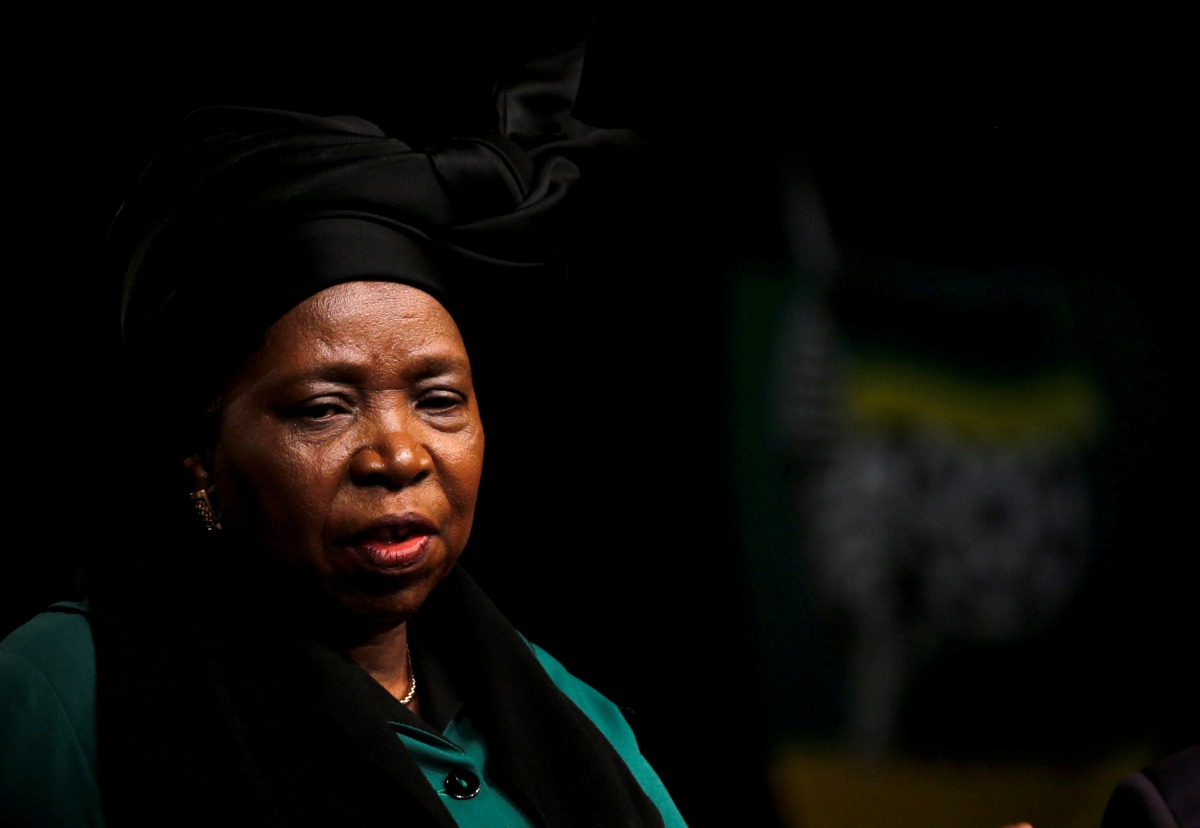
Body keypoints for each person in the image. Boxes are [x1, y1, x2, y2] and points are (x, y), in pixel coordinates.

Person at [0, 24, 688, 828]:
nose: (399, 455)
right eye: (324, 408)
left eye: (438, 400)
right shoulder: (64, 692)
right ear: (200, 456)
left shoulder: (573, 717)